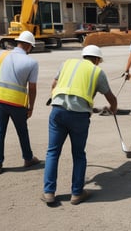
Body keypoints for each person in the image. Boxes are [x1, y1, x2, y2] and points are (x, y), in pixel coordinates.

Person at [42, 45, 117, 205]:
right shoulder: (97, 72)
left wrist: (54, 98)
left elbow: (54, 84)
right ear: (97, 60)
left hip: (58, 111)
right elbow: (110, 97)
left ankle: (49, 192)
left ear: (84, 56)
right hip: (79, 117)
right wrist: (113, 109)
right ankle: (76, 193)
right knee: (78, 154)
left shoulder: (67, 63)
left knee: (52, 152)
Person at [0, 30, 40, 175]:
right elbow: (33, 88)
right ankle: (28, 158)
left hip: (0, 101)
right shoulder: (32, 62)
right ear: (29, 46)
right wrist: (31, 107)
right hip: (18, 104)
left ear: (18, 42)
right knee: (22, 132)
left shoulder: (0, 55)